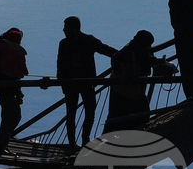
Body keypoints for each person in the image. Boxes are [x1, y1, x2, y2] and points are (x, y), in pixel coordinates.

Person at [56, 16, 117, 146]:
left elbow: (60, 65)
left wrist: (62, 81)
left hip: (79, 84)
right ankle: (78, 142)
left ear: (73, 28)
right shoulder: (82, 41)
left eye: (66, 27)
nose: (63, 30)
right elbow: (60, 65)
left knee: (81, 113)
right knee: (81, 113)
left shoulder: (75, 42)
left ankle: (81, 141)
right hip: (79, 84)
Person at [105, 30, 161, 131]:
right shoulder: (128, 51)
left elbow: (143, 61)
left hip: (129, 89)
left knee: (118, 116)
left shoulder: (135, 49)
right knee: (117, 116)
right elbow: (115, 58)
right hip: (122, 88)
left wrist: (154, 61)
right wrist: (121, 73)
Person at [0, 27, 28, 153]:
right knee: (14, 115)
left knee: (9, 114)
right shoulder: (13, 51)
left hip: (5, 86)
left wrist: (18, 91)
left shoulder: (2, 48)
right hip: (5, 86)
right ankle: (0, 141)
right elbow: (20, 72)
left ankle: (1, 140)